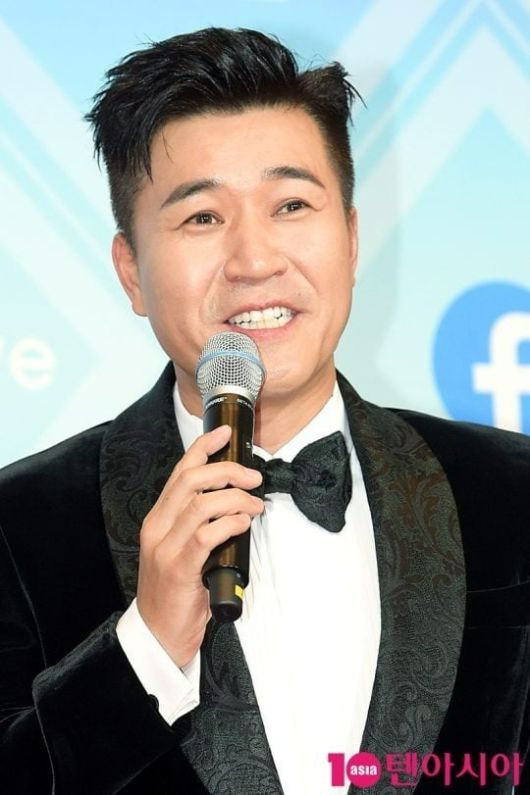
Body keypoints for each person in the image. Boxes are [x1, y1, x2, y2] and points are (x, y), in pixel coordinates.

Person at [0, 27, 529, 795]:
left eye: (291, 204)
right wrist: (144, 647)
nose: (255, 260)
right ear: (132, 271)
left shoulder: (512, 492)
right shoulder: (20, 526)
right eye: (202, 217)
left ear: (350, 238)